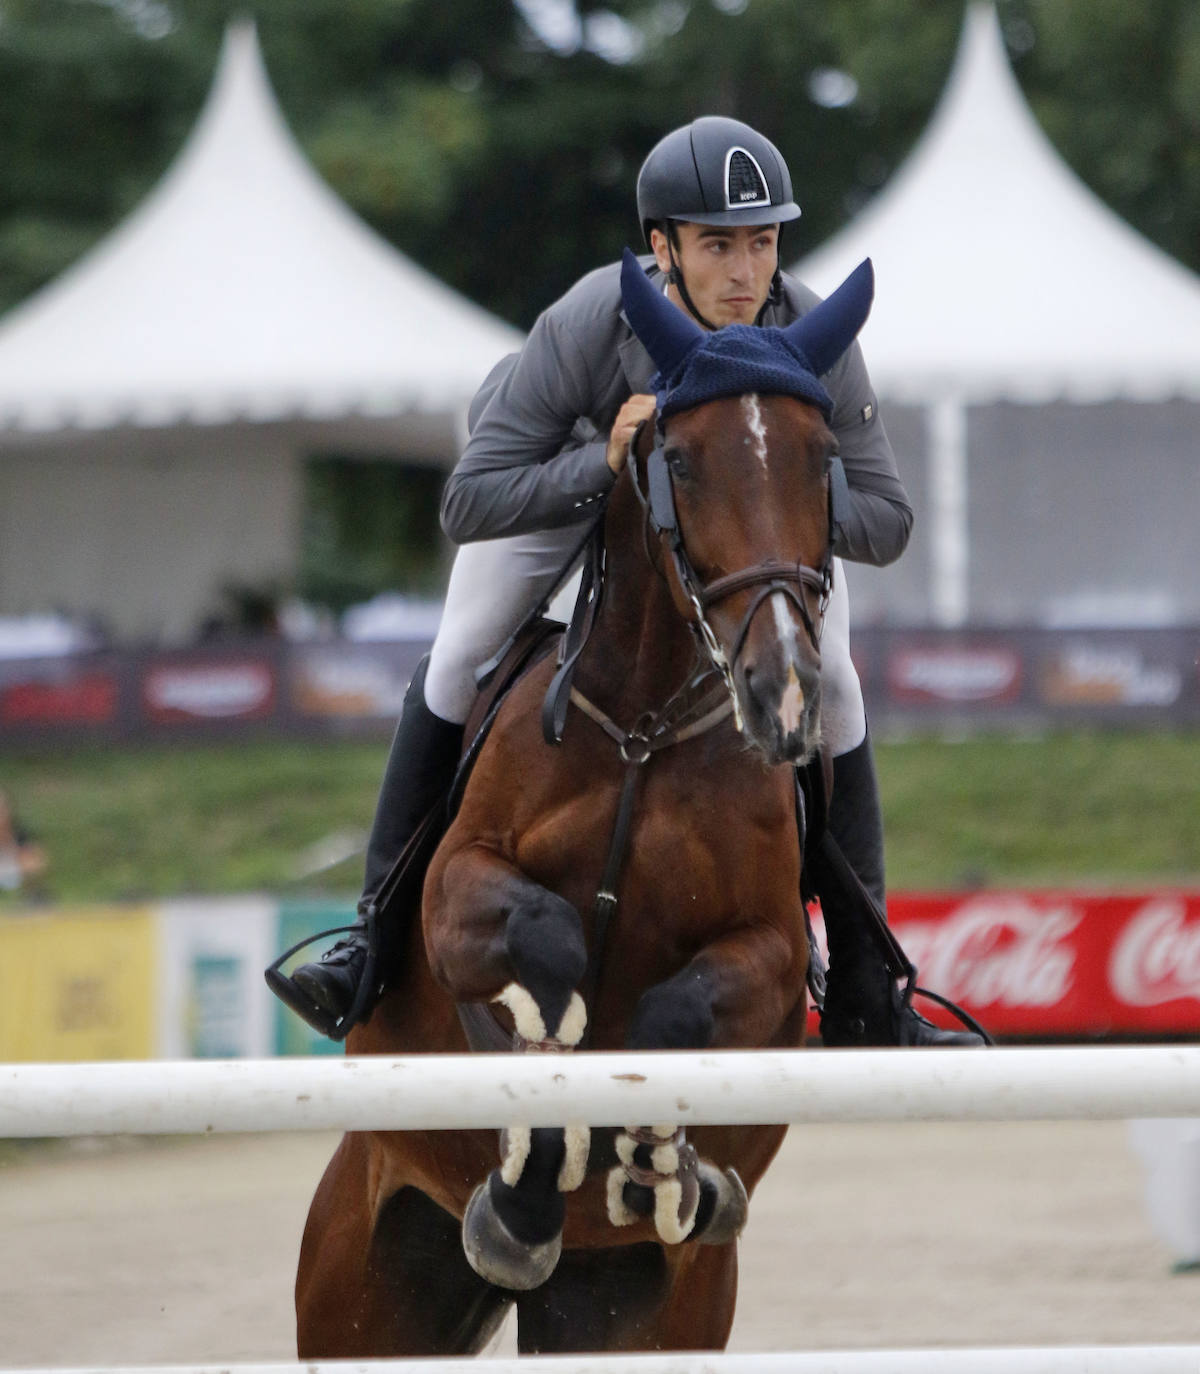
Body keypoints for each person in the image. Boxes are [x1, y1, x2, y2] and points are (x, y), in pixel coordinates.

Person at [279, 115, 982, 1048]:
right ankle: (370, 940)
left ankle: (865, 985)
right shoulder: (589, 322)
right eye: (718, 245)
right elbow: (471, 501)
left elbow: (887, 522)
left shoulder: (811, 331)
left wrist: (777, 503)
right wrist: (606, 466)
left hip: (740, 539)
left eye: (763, 242)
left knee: (839, 686)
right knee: (456, 660)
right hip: (571, 494)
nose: (746, 273)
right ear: (663, 247)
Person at [0, 788, 48, 894]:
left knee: (33, 861)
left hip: (14, 871)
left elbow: (36, 856)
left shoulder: (19, 832)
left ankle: (32, 894)